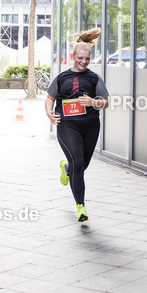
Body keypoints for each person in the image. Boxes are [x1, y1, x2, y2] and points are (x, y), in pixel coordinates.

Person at [45, 29, 109, 221]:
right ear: (73, 57)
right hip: (67, 126)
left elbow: (106, 101)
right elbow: (50, 97)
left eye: (87, 58)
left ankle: (66, 169)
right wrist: (49, 113)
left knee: (82, 164)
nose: (84, 61)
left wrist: (93, 102)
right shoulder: (62, 78)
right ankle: (81, 207)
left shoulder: (94, 78)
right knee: (79, 163)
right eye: (80, 58)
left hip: (90, 125)